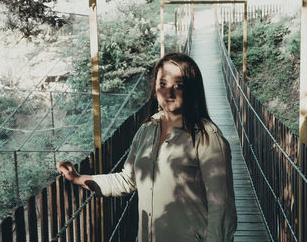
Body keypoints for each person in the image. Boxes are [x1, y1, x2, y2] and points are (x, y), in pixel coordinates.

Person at [57, 53, 237, 242]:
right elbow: (128, 180)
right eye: (163, 84)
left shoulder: (207, 137)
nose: (170, 92)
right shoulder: (147, 130)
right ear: (155, 89)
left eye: (179, 85)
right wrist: (77, 179)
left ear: (192, 90)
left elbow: (222, 207)